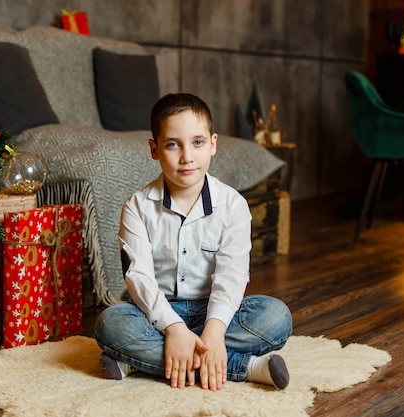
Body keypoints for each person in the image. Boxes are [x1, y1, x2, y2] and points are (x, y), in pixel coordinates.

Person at [94, 93, 293, 391]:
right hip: (156, 313)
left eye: (197, 142)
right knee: (110, 323)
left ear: (213, 144)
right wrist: (173, 327)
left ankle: (138, 362)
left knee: (277, 317)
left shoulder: (234, 205)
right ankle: (247, 367)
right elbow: (139, 278)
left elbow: (232, 276)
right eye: (173, 144)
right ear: (154, 149)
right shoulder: (137, 206)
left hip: (213, 311)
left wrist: (214, 331)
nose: (187, 156)